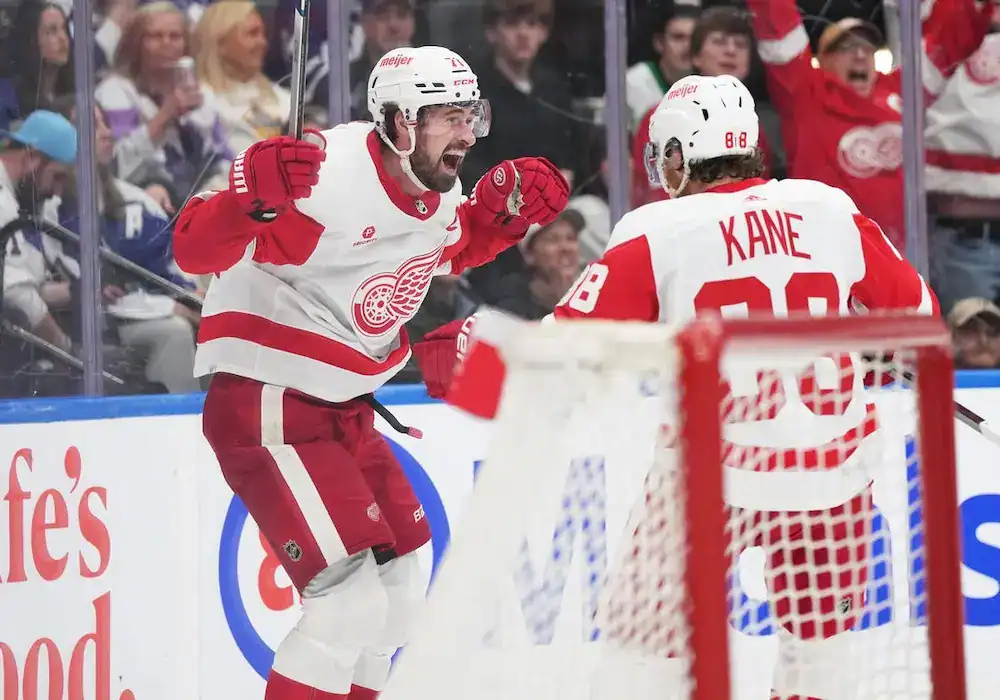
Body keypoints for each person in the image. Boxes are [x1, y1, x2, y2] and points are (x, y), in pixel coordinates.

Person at [419, 74, 937, 698]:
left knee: (644, 654)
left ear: (681, 152)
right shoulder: (829, 207)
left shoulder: (657, 230)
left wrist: (475, 348)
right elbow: (918, 317)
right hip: (833, 475)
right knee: (816, 664)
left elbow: (569, 346)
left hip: (709, 478)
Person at [171, 45, 568, 700]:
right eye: (448, 116)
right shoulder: (327, 173)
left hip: (342, 409)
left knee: (399, 598)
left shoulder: (430, 190)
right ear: (398, 121)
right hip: (269, 402)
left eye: (472, 115)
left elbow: (444, 249)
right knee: (346, 605)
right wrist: (249, 201)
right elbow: (193, 244)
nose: (468, 134)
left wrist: (501, 223)